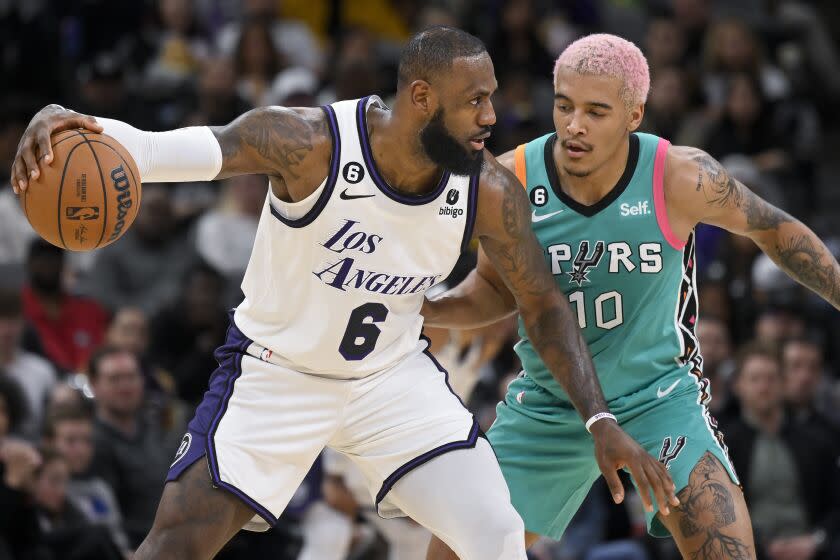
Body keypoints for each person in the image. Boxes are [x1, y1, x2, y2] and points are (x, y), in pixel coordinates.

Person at [11, 26, 675, 560]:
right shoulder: (308, 142)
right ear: (422, 97)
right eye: (474, 99)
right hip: (277, 375)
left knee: (495, 533)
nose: (491, 116)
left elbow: (544, 303)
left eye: (491, 97)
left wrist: (600, 419)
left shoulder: (487, 190)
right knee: (177, 545)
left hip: (390, 380)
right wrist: (70, 123)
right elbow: (161, 152)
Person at [423, 33, 840, 560]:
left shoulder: (678, 175)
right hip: (552, 405)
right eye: (564, 105)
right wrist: (433, 309)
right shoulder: (513, 178)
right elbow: (492, 288)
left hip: (657, 398)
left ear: (634, 114)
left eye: (596, 112)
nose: (574, 125)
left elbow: (774, 230)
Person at [722, 343, 840, 559]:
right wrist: (762, 547)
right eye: (755, 379)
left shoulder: (816, 441)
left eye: (771, 379)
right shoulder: (724, 446)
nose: (764, 387)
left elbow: (835, 504)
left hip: (813, 547)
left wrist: (816, 540)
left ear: (784, 384)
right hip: (749, 549)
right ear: (738, 385)